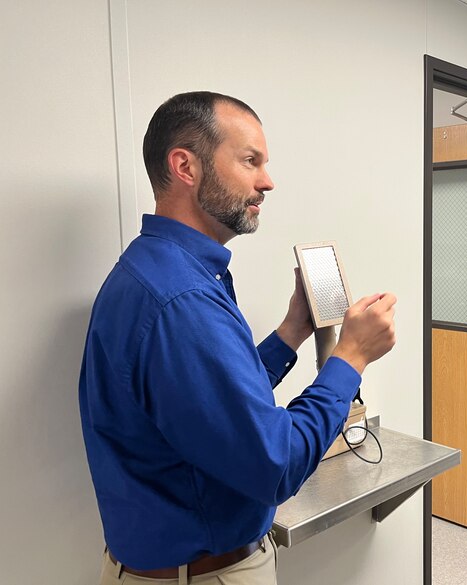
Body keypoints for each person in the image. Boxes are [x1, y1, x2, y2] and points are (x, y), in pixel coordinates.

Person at [79, 91, 397, 585]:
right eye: (250, 161)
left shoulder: (155, 272)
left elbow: (208, 407)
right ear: (186, 166)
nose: (267, 182)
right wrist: (351, 357)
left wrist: (291, 333)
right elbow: (274, 466)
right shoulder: (181, 300)